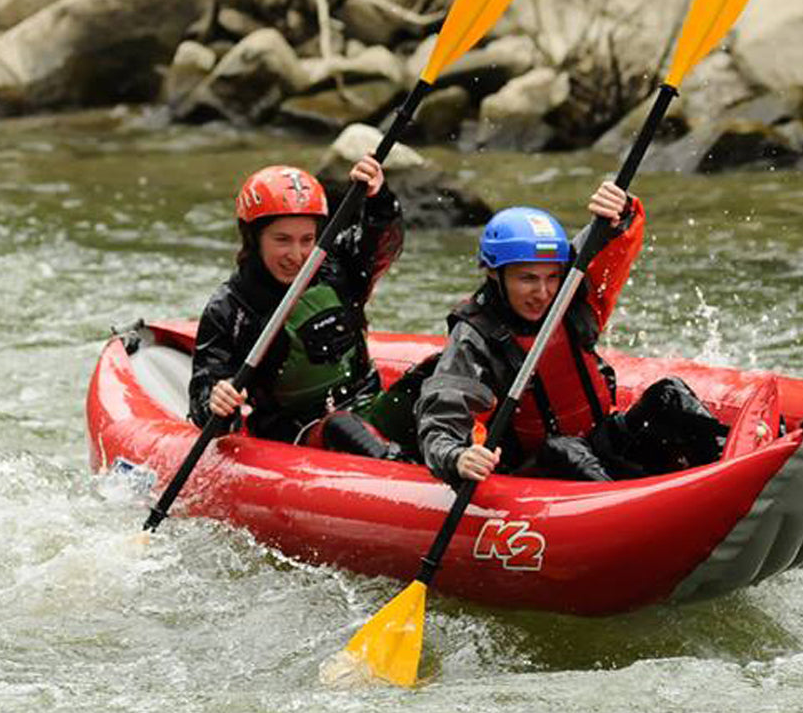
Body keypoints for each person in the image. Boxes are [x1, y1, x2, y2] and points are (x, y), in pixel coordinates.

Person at [415, 181, 726, 486]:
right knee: (563, 448)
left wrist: (621, 208)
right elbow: (440, 424)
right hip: (535, 471)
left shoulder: (572, 291)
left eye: (552, 277)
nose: (543, 292)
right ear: (494, 273)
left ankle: (727, 473)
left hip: (600, 443)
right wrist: (457, 457)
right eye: (528, 279)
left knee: (669, 394)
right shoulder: (474, 336)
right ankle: (624, 511)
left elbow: (610, 241)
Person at [188, 157, 405, 458]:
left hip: (367, 402)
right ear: (254, 238)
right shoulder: (230, 308)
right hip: (299, 434)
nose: (297, 255)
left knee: (426, 384)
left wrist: (378, 198)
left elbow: (382, 240)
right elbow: (204, 397)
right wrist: (217, 400)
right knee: (341, 427)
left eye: (307, 240)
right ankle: (399, 466)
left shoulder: (338, 267)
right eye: (282, 240)